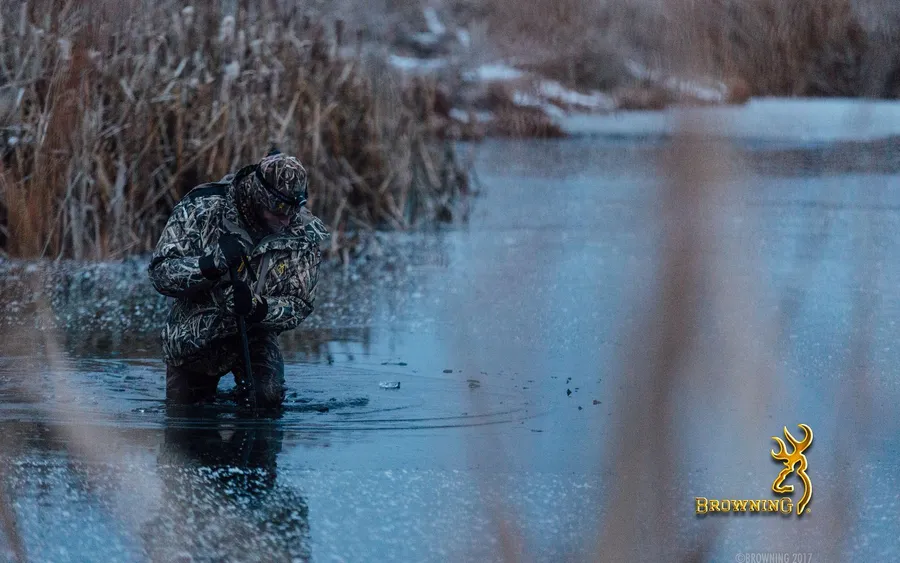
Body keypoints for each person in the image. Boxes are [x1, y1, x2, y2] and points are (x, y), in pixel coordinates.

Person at [148, 151, 329, 408]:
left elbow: (300, 304)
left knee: (266, 399)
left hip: (256, 334)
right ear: (258, 197)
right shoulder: (203, 207)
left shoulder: (303, 231)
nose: (287, 219)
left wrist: (257, 307)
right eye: (279, 210)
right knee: (185, 413)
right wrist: (209, 265)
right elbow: (161, 274)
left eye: (294, 209)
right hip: (194, 334)